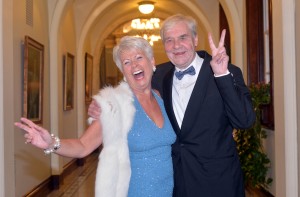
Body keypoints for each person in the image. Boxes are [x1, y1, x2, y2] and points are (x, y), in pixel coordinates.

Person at [89, 14, 256, 197]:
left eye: (183, 37)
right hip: (176, 184)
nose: (176, 45)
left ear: (195, 39)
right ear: (164, 45)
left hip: (218, 183)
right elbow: (129, 88)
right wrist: (103, 104)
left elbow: (245, 120)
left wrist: (221, 75)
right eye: (169, 40)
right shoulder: (158, 74)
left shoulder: (226, 71)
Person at [15, 36, 176, 197]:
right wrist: (51, 143)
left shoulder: (161, 96)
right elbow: (83, 146)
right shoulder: (115, 104)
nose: (134, 65)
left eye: (139, 57)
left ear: (152, 62)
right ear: (123, 72)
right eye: (126, 62)